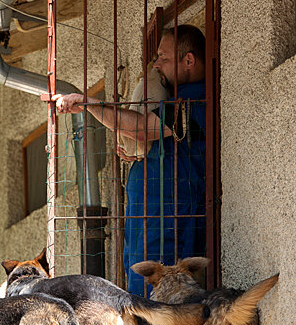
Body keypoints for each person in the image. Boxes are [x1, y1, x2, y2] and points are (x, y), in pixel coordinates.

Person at [53, 24, 207, 295]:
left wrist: (90, 104)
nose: (156, 64)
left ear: (189, 60)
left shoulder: (194, 99)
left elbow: (142, 127)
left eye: (164, 57)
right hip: (151, 215)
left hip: (168, 218)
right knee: (140, 293)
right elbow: (147, 134)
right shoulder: (175, 99)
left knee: (162, 299)